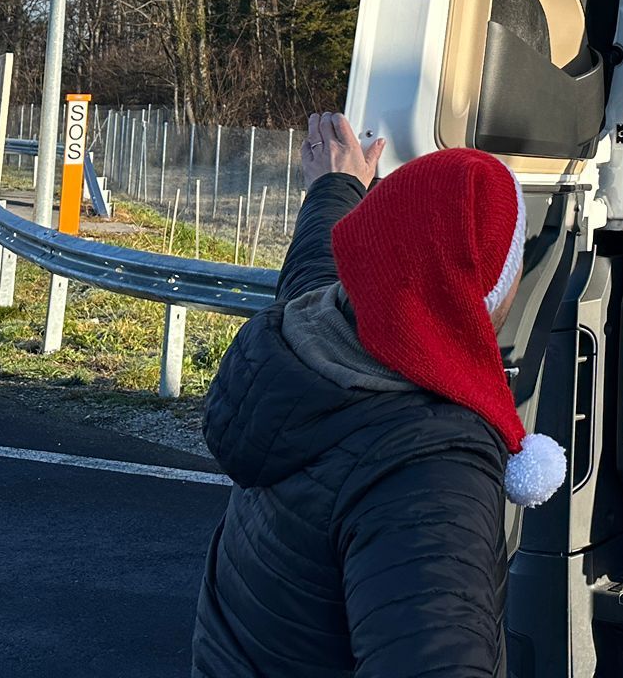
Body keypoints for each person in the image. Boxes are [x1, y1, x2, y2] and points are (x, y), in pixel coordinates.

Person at [191, 112, 566, 678]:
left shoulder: (311, 340)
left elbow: (318, 266)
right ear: (482, 293)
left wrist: (335, 187)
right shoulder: (431, 477)